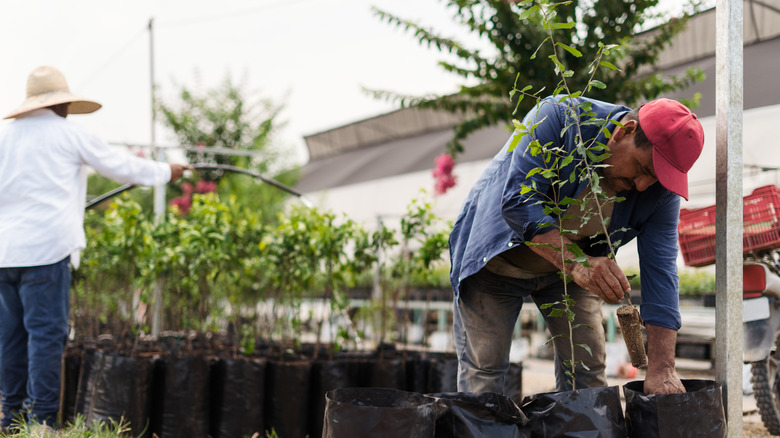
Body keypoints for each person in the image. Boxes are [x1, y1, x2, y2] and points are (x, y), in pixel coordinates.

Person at [449, 94, 705, 396]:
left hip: (570, 273)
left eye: (656, 178)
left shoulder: (660, 191)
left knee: (587, 370)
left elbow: (661, 271)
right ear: (625, 131)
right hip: (496, 263)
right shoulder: (559, 118)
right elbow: (519, 201)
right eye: (643, 169)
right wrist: (577, 263)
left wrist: (662, 368)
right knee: (485, 370)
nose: (642, 186)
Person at [0, 65, 189, 429]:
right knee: (44, 337)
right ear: (61, 105)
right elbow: (121, 168)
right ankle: (40, 422)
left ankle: (10, 415)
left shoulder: (5, 139)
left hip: (5, 254)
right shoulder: (69, 135)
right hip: (45, 253)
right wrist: (168, 171)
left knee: (10, 335)